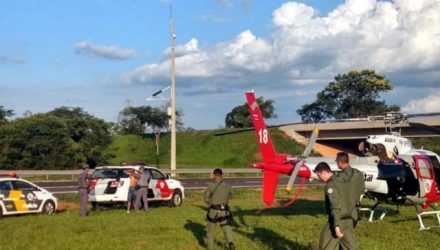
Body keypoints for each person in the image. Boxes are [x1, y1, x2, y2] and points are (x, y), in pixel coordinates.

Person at [314, 162, 358, 250]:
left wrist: (336, 226)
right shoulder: (344, 181)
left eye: (319, 176)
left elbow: (335, 206)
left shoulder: (331, 185)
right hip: (349, 221)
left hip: (338, 221)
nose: (319, 179)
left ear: (324, 173)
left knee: (325, 246)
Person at [203, 168, 235, 250]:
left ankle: (210, 247)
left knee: (210, 231)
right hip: (224, 210)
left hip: (213, 211)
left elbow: (205, 199)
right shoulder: (228, 186)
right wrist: (225, 199)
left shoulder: (211, 185)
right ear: (221, 175)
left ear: (214, 175)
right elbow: (233, 195)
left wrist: (211, 201)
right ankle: (230, 242)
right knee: (226, 228)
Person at [334, 152, 366, 225]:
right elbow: (362, 190)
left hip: (343, 212)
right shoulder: (359, 173)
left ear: (339, 162)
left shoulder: (339, 177)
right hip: (355, 211)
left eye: (336, 161)